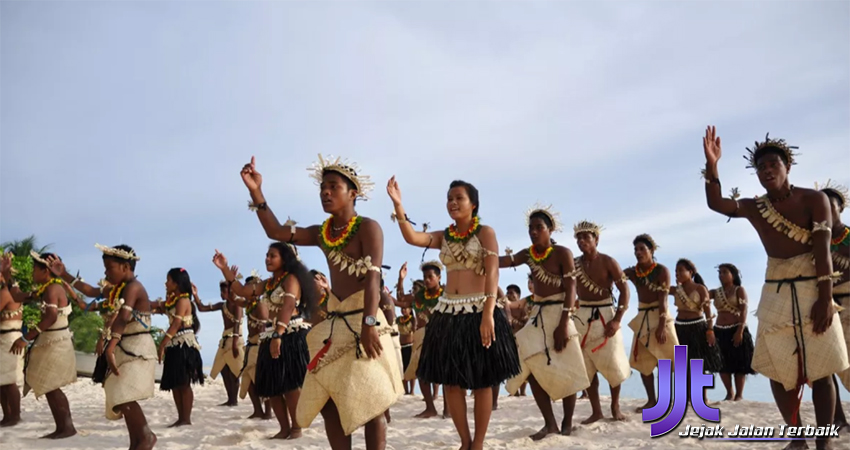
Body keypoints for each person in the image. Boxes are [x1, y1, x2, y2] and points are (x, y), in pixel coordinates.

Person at [241, 155, 402, 450]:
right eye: (322, 188)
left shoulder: (369, 227)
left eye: (333, 186)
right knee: (328, 399)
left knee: (371, 401)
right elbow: (276, 232)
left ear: (352, 193)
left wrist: (369, 324)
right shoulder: (321, 233)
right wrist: (256, 192)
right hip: (337, 322)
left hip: (365, 318)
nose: (325, 192)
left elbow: (373, 280)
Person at [702, 127, 847, 450]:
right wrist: (712, 166)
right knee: (777, 371)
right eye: (761, 168)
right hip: (776, 291)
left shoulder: (814, 199)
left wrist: (825, 299)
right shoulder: (755, 206)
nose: (767, 171)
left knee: (822, 371)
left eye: (773, 165)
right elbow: (717, 204)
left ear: (787, 167)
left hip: (814, 287)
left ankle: (823, 444)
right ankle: (797, 439)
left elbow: (823, 251)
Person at [388, 175, 520, 450]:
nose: (452, 202)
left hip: (479, 309)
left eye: (459, 198)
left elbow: (493, 272)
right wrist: (399, 206)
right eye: (449, 198)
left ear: (473, 204)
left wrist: (487, 315)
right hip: (448, 313)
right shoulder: (443, 236)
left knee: (483, 382)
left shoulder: (485, 233)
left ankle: (479, 443)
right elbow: (413, 237)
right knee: (451, 382)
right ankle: (465, 441)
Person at [52, 244, 157, 450]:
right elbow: (90, 291)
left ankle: (146, 437)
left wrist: (109, 347)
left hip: (137, 348)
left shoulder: (134, 287)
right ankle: (137, 441)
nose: (105, 272)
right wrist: (64, 274)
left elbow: (123, 318)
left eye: (110, 267)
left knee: (123, 394)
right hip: (124, 346)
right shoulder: (118, 289)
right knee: (118, 394)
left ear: (126, 267)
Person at [498, 204, 589, 440]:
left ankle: (567, 422)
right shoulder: (528, 254)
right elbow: (507, 261)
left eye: (539, 228)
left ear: (550, 230)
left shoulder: (563, 254)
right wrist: (483, 256)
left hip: (561, 313)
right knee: (528, 363)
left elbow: (571, 289)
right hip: (538, 315)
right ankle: (550, 424)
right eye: (531, 228)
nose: (534, 232)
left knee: (568, 366)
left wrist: (563, 323)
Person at [214, 242, 316, 439]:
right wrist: (224, 269)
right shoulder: (268, 284)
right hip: (270, 335)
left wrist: (278, 334)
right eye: (267, 255)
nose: (267, 259)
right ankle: (284, 428)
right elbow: (242, 291)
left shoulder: (291, 280)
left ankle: (296, 428)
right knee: (272, 385)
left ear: (284, 259)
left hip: (289, 333)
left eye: (273, 256)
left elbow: (287, 307)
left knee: (290, 384)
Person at [3, 252, 77, 438]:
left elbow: (51, 317)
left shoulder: (53, 289)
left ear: (45, 270)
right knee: (49, 385)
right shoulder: (46, 288)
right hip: (51, 340)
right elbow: (18, 296)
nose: (32, 273)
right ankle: (62, 427)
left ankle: (66, 428)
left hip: (56, 341)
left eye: (35, 269)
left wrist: (26, 338)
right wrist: (8, 275)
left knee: (52, 385)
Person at [571, 220, 631, 424]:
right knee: (586, 365)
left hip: (606, 313)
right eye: (578, 238)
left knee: (612, 363)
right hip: (581, 316)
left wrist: (617, 320)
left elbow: (625, 292)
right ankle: (596, 410)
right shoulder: (574, 263)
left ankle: (615, 405)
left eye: (586, 238)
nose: (582, 242)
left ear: (596, 239)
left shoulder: (608, 262)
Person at [624, 234, 679, 413]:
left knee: (666, 359)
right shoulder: (634, 272)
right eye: (636, 250)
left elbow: (663, 299)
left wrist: (662, 325)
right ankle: (652, 401)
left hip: (660, 316)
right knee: (643, 361)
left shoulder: (662, 270)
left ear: (651, 251)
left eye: (642, 249)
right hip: (642, 317)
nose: (638, 253)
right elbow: (616, 277)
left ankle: (669, 400)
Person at [151, 268, 204, 427]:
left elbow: (176, 324)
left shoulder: (183, 301)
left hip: (184, 344)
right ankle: (181, 418)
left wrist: (162, 344)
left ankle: (186, 418)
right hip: (174, 344)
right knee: (175, 382)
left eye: (168, 280)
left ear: (176, 282)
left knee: (183, 382)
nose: (166, 283)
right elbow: (156, 306)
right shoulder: (172, 300)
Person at [816, 180, 850, 431]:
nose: (827, 210)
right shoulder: (814, 241)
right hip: (825, 307)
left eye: (832, 206)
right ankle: (838, 418)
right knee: (828, 364)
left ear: (840, 208)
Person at [393, 260, 444, 418]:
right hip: (422, 336)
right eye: (425, 276)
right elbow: (401, 297)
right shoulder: (418, 298)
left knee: (445, 373)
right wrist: (401, 278)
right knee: (421, 372)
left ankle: (448, 410)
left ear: (439, 277)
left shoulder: (446, 293)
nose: (428, 279)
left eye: (430, 276)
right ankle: (430, 408)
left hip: (442, 335)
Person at [668, 259, 723, 406]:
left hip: (697, 327)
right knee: (681, 363)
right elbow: (657, 288)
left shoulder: (700, 289)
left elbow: (707, 312)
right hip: (679, 327)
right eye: (676, 271)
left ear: (690, 272)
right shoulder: (675, 290)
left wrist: (710, 330)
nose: (677, 273)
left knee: (698, 363)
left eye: (681, 270)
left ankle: (702, 398)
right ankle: (683, 397)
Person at [218, 274, 272, 420]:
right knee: (248, 380)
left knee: (262, 379)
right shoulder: (248, 305)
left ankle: (268, 412)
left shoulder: (261, 306)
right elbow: (234, 299)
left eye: (247, 289)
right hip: (251, 345)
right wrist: (229, 279)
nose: (244, 291)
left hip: (260, 345)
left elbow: (266, 328)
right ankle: (257, 410)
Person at [710, 263, 755, 401]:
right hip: (719, 331)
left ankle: (739, 395)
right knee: (722, 364)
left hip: (736, 329)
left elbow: (743, 310)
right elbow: (701, 294)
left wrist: (740, 331)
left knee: (739, 364)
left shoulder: (739, 290)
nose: (721, 275)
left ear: (733, 275)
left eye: (725, 272)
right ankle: (729, 393)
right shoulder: (716, 292)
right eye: (720, 272)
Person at [195, 279, 243, 407]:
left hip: (235, 339)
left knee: (234, 370)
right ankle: (230, 399)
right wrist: (195, 295)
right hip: (225, 340)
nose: (222, 293)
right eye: (221, 291)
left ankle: (234, 400)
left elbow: (237, 323)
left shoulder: (238, 304)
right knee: (224, 369)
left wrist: (235, 343)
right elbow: (202, 308)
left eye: (224, 291)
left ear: (230, 291)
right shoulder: (222, 306)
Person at [0, 253, 24, 427]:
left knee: (9, 381)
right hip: (5, 338)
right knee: (2, 381)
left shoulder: (5, 293)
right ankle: (7, 416)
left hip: (10, 339)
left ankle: (14, 416)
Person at [397, 306, 416, 395]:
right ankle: (406, 390)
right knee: (403, 368)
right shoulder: (398, 319)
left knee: (410, 368)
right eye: (402, 308)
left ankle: (412, 391)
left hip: (410, 345)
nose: (403, 310)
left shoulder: (413, 319)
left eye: (406, 308)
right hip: (401, 346)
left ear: (410, 310)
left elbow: (415, 330)